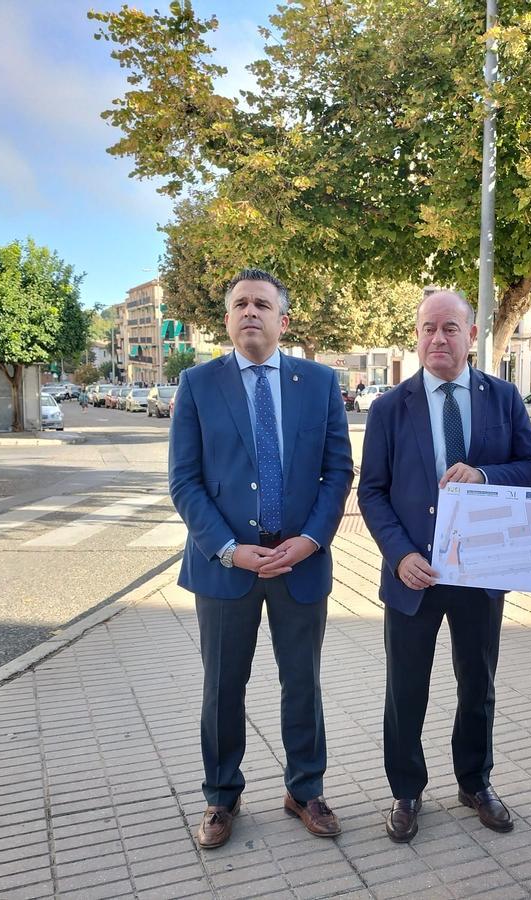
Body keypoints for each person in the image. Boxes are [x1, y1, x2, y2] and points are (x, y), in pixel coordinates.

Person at [169, 268, 354, 850]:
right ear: (227, 319)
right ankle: (221, 796)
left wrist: (312, 539)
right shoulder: (197, 384)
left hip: (300, 562)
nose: (251, 312)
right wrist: (229, 549)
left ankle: (306, 788)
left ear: (283, 320)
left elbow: (338, 471)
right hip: (226, 567)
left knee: (303, 682)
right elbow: (185, 481)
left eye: (262, 304)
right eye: (240, 304)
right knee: (223, 686)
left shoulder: (320, 383)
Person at [357, 290, 531, 843]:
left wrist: (486, 477)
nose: (437, 339)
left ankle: (475, 782)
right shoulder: (391, 407)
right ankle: (406, 791)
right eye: (427, 329)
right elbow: (371, 493)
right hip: (413, 577)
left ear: (470, 334)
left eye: (449, 329)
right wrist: (401, 555)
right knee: (405, 689)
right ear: (416, 336)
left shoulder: (503, 397)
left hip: (480, 573)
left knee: (477, 685)